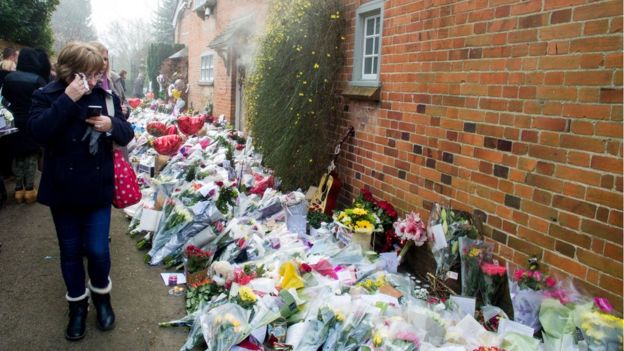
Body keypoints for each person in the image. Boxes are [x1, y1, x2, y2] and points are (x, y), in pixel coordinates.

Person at [27, 41, 133, 341]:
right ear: (70, 73)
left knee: (98, 250)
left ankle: (102, 297)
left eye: (97, 73)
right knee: (71, 252)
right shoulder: (45, 96)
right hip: (63, 190)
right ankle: (76, 306)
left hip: (97, 188)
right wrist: (68, 100)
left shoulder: (106, 95)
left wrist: (111, 124)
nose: (96, 79)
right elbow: (37, 132)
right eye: (88, 74)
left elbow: (127, 133)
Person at [2, 48, 51, 204]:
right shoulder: (38, 80)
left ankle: (18, 189)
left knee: (16, 156)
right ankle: (29, 190)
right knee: (30, 156)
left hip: (12, 121)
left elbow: (5, 99)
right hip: (30, 121)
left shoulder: (9, 78)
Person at [88, 42, 128, 116]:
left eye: (105, 59)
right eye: (100, 58)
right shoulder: (87, 81)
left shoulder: (115, 79)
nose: (104, 63)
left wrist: (126, 111)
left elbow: (124, 102)